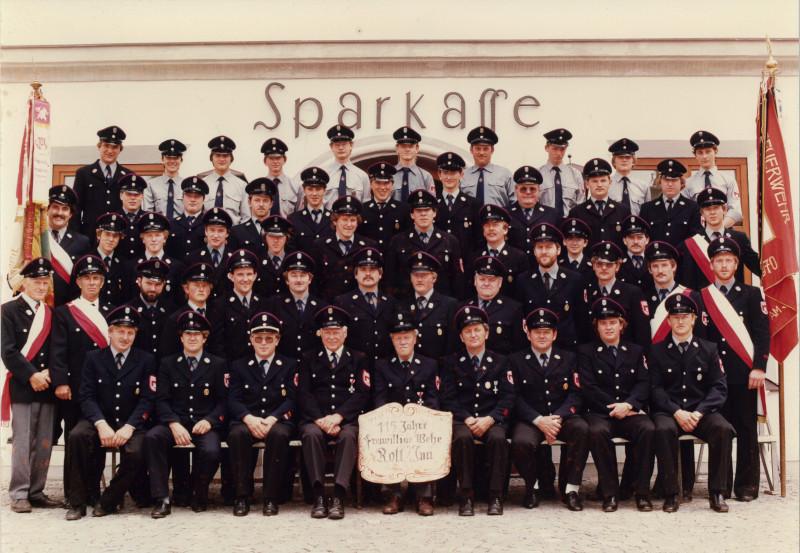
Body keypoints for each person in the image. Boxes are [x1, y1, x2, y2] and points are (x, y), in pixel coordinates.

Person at [65, 306, 156, 520]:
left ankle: (109, 499)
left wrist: (129, 427)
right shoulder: (93, 358)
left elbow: (147, 399)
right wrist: (100, 424)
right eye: (120, 331)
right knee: (77, 436)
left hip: (131, 423)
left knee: (137, 450)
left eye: (130, 332)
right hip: (99, 419)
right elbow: (86, 396)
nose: (125, 337)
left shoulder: (146, 360)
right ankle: (77, 503)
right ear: (110, 332)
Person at [649, 294, 733, 513]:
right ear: (668, 321)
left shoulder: (709, 349)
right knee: (663, 430)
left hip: (700, 411)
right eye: (675, 317)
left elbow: (719, 386)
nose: (680, 321)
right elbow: (654, 389)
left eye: (685, 316)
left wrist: (699, 412)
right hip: (669, 411)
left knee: (723, 429)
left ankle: (717, 493)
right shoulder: (657, 350)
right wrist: (676, 412)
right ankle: (671, 493)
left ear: (694, 319)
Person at [700, 237, 770, 502]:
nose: (724, 264)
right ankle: (722, 485)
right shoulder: (703, 296)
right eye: (719, 260)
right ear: (711, 264)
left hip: (744, 376)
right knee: (721, 431)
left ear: (737, 263)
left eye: (729, 260)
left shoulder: (752, 294)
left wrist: (759, 368)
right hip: (715, 378)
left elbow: (763, 335)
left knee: (746, 430)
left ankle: (747, 485)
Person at [146, 311, 227, 517]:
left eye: (197, 334)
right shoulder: (167, 363)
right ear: (181, 337)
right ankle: (162, 498)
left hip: (204, 423)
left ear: (204, 337)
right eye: (188, 334)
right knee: (153, 437)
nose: (193, 338)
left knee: (211, 451)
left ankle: (198, 494)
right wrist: (173, 423)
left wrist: (209, 421)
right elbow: (161, 400)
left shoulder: (217, 364)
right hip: (175, 422)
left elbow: (223, 401)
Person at [578, 298, 655, 512]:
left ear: (621, 325)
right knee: (597, 431)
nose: (608, 327)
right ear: (597, 327)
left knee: (648, 429)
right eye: (603, 323)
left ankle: (641, 493)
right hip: (600, 412)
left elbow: (643, 382)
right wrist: (615, 407)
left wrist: (629, 405)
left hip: (630, 411)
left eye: (613, 322)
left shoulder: (636, 350)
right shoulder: (586, 351)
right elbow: (588, 387)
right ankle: (610, 493)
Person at [509, 308, 588, 511]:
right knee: (520, 441)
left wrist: (557, 418)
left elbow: (576, 394)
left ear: (555, 334)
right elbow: (514, 397)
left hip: (561, 416)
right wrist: (538, 420)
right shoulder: (516, 360)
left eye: (547, 332)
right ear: (528, 334)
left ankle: (570, 489)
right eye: (537, 332)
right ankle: (533, 488)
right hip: (530, 419)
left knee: (581, 429)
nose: (542, 336)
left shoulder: (568, 358)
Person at [296, 306, 371, 520]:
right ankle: (319, 496)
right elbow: (303, 392)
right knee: (310, 434)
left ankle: (338, 495)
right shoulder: (308, 358)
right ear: (321, 334)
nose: (332, 337)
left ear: (345, 333)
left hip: (344, 420)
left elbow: (362, 392)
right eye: (327, 332)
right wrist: (320, 420)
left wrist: (338, 417)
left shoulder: (358, 358)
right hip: (315, 418)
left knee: (349, 436)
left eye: (336, 332)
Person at [50, 255, 114, 503]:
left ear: (102, 282)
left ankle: (93, 491)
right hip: (74, 389)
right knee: (74, 441)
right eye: (86, 278)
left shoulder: (110, 312)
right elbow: (58, 350)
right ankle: (73, 493)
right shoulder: (65, 312)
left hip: (102, 389)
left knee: (97, 439)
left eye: (96, 278)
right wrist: (61, 381)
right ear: (78, 282)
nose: (91, 283)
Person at [440, 306, 514, 516]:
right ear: (461, 337)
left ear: (486, 333)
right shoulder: (452, 362)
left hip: (492, 419)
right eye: (468, 331)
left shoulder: (501, 361)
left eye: (477, 330)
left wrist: (490, 419)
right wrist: (468, 418)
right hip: (464, 421)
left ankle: (496, 496)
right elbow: (447, 398)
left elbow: (508, 397)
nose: (473, 335)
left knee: (499, 439)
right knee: (461, 439)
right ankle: (466, 496)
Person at [1, 258, 59, 512]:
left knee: (44, 440)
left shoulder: (51, 313)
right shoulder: (7, 310)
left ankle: (37, 491)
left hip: (47, 384)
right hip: (24, 385)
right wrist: (32, 375)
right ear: (24, 282)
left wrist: (49, 373)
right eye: (36, 281)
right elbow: (8, 351)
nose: (41, 286)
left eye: (45, 282)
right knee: (23, 441)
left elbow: (58, 349)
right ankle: (19, 493)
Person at [228, 312, 297, 516]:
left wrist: (273, 418)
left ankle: (271, 497)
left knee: (280, 434)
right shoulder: (239, 365)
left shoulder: (289, 365)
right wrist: (249, 419)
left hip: (277, 419)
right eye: (259, 338)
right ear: (251, 339)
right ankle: (242, 497)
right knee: (237, 434)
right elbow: (233, 399)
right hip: (248, 418)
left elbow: (292, 399)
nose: (264, 343)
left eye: (269, 338)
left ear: (277, 340)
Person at [373, 312, 440, 516]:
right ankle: (394, 496)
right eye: (398, 338)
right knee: (385, 439)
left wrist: (419, 418)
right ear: (392, 340)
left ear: (415, 339)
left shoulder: (429, 365)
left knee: (423, 439)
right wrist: (391, 419)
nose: (403, 341)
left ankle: (423, 497)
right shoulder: (382, 365)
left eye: (407, 337)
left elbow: (433, 398)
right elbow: (379, 398)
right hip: (391, 424)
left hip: (420, 423)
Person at [516, 223, 583, 352]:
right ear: (534, 251)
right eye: (539, 247)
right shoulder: (523, 280)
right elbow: (522, 320)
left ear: (558, 250)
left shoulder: (574, 279)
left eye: (548, 247)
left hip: (566, 352)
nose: (544, 252)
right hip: (533, 351)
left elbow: (580, 321)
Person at [386, 190, 464, 299]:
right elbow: (390, 280)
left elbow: (458, 282)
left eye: (427, 210)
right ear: (412, 214)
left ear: (434, 213)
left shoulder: (450, 241)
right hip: (407, 306)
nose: (423, 214)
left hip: (442, 308)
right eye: (418, 210)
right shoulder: (398, 241)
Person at [679, 188, 761, 291]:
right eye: (708, 209)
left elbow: (757, 267)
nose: (712, 212)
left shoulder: (740, 239)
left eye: (716, 208)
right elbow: (688, 281)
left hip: (735, 301)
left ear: (724, 210)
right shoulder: (692, 243)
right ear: (702, 213)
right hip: (705, 302)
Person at [577, 241, 651, 348]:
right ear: (593, 265)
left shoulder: (633, 293)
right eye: (599, 264)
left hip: (627, 357)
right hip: (594, 357)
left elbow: (642, 333)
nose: (604, 268)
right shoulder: (587, 293)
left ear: (617, 266)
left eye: (609, 264)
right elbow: (583, 332)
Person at [334, 247, 398, 362]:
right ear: (355, 274)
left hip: (384, 368)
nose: (368, 274)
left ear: (380, 274)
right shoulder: (342, 302)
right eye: (363, 269)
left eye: (373, 269)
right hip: (355, 366)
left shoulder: (391, 303)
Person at [310, 195, 377, 302]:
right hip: (329, 307)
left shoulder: (368, 246)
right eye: (344, 220)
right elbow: (314, 284)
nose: (349, 224)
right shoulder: (320, 246)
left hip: (359, 308)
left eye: (353, 220)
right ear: (335, 221)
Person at [397, 252, 458, 368]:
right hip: (409, 371)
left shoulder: (449, 305)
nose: (419, 279)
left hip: (439, 370)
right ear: (410, 278)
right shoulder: (401, 306)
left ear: (434, 278)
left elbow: (452, 346)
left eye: (424, 275)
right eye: (415, 276)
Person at [264, 251, 326, 360]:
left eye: (303, 275)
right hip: (283, 368)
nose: (298, 280)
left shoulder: (322, 307)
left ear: (310, 279)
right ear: (287, 280)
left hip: (313, 367)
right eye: (293, 275)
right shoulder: (274, 304)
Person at [457, 256, 526, 355]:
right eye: (482, 279)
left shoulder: (514, 309)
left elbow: (518, 349)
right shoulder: (462, 308)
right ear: (475, 280)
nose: (486, 283)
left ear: (500, 282)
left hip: (501, 368)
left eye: (491, 280)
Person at [73, 126, 133, 236]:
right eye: (106, 146)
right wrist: (77, 237)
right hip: (90, 237)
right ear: (99, 147)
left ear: (120, 149)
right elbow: (75, 209)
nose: (110, 151)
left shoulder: (128, 176)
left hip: (118, 236)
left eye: (115, 147)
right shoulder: (84, 173)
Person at [211, 249, 267, 363]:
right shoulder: (219, 305)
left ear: (255, 276)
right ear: (231, 276)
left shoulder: (264, 304)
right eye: (240, 274)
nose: (245, 279)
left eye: (249, 274)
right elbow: (217, 344)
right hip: (232, 369)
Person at [159, 262, 223, 359]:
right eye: (196, 285)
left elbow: (219, 350)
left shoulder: (216, 315)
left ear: (210, 289)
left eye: (205, 285)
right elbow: (168, 355)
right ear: (186, 289)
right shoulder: (175, 319)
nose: (201, 289)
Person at [464, 204, 529, 298]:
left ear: (505, 229)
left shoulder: (519, 257)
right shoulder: (473, 258)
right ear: (483, 231)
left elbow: (523, 292)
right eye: (487, 225)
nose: (491, 229)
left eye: (495, 225)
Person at [682, 131, 742, 227]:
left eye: (708, 151)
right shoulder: (688, 183)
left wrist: (718, 229)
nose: (704, 156)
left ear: (716, 152)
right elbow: (685, 212)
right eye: (700, 153)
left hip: (724, 233)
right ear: (695, 155)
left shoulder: (728, 180)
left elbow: (736, 211)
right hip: (697, 235)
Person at [121, 211, 183, 304]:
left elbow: (179, 301)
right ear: (143, 239)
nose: (153, 240)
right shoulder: (130, 267)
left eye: (158, 235)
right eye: (149, 235)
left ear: (165, 238)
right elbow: (126, 300)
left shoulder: (177, 266)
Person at [568, 158, 631, 249]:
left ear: (610, 183)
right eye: (595, 181)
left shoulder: (623, 211)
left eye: (603, 181)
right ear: (587, 184)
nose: (599, 185)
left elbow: (628, 242)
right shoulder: (577, 213)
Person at [639, 159, 702, 248]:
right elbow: (643, 237)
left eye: (674, 180)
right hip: (656, 259)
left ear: (682, 183)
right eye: (666, 180)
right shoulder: (647, 208)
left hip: (682, 259)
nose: (670, 184)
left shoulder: (693, 207)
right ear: (660, 182)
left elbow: (695, 236)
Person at [46, 185, 89, 306]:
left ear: (71, 214)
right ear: (47, 209)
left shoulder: (82, 242)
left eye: (65, 209)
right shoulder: (37, 239)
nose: (59, 213)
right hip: (41, 306)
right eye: (55, 207)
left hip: (68, 309)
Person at [124, 259, 175, 361]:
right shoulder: (128, 310)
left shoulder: (172, 311)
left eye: (157, 284)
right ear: (139, 282)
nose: (153, 289)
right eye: (148, 283)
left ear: (164, 284)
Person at [360, 161, 411, 256]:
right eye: (378, 183)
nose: (382, 187)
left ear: (392, 185)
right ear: (371, 185)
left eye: (386, 183)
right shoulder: (362, 209)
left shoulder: (404, 210)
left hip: (394, 264)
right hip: (368, 264)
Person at [507, 165, 561, 255]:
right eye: (523, 189)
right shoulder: (505, 214)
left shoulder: (553, 215)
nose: (528, 192)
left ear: (539, 191)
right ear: (515, 191)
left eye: (532, 189)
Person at [434, 151, 482, 248]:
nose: (449, 177)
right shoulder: (432, 204)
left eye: (453, 173)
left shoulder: (474, 204)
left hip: (465, 260)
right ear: (439, 175)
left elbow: (479, 239)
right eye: (445, 173)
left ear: (461, 175)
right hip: (439, 259)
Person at [199, 136, 250, 225]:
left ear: (231, 159)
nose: (222, 159)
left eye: (225, 156)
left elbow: (246, 217)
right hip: (208, 235)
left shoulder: (242, 185)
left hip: (233, 234)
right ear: (212, 158)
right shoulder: (203, 184)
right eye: (218, 155)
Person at [183, 207, 234, 298]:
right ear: (206, 231)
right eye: (212, 230)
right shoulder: (192, 258)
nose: (215, 235)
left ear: (227, 233)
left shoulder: (234, 258)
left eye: (221, 231)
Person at [460, 126, 515, 208]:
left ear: (492, 150)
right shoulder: (462, 175)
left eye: (486, 149)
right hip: (470, 220)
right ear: (471, 150)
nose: (482, 152)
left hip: (497, 220)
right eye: (478, 148)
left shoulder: (505, 174)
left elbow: (515, 204)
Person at [320, 125, 370, 207]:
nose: (340, 148)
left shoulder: (362, 176)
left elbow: (365, 206)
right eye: (336, 144)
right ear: (331, 147)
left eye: (344, 144)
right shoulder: (323, 175)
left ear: (351, 145)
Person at [538, 128, 584, 217]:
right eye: (554, 149)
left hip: (569, 224)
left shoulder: (575, 174)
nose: (559, 153)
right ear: (546, 148)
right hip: (545, 223)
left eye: (562, 149)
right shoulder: (538, 174)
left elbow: (580, 204)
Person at [288, 167, 333, 254]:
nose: (314, 194)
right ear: (304, 191)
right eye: (310, 189)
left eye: (318, 189)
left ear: (324, 191)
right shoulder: (294, 219)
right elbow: (291, 251)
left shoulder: (334, 219)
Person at [229, 177, 277, 254]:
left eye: (265, 200)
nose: (261, 204)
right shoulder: (237, 232)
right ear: (249, 203)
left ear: (271, 204)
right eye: (257, 200)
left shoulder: (279, 230)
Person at [166, 177, 209, 258]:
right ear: (183, 198)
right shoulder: (171, 225)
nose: (192, 200)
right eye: (189, 196)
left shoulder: (208, 225)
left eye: (197, 196)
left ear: (203, 200)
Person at [255, 215, 296, 298]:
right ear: (265, 238)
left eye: (280, 237)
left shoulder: (293, 262)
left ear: (286, 238)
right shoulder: (257, 262)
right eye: (271, 236)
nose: (276, 240)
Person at [143, 139, 186, 219]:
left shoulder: (187, 185)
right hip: (159, 229)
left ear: (181, 160)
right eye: (168, 157)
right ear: (162, 160)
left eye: (176, 157)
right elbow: (148, 213)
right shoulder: (151, 185)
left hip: (182, 230)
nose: (172, 161)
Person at [608, 138, 651, 216]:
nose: (624, 160)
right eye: (620, 157)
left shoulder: (643, 186)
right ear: (614, 161)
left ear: (633, 162)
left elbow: (648, 213)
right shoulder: (606, 185)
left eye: (628, 157)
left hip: (637, 227)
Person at [391, 126, 435, 201]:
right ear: (397, 148)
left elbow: (432, 204)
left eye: (411, 146)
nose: (407, 149)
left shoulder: (426, 177)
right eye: (403, 146)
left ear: (417, 148)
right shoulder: (389, 174)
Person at [261, 137, 302, 216]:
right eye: (271, 158)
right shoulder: (258, 186)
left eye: (278, 158)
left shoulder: (296, 186)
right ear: (265, 161)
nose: (275, 161)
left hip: (287, 227)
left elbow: (299, 216)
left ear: (285, 160)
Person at [93, 212, 127, 306]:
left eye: (115, 236)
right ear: (99, 235)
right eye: (107, 234)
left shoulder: (124, 264)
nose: (111, 239)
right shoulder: (88, 260)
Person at [617, 215, 654, 291]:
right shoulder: (617, 263)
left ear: (647, 240)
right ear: (624, 240)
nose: (635, 242)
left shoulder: (653, 261)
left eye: (639, 237)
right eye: (631, 237)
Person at [116, 173, 148, 261]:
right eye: (128, 194)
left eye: (136, 195)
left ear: (142, 196)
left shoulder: (147, 219)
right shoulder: (114, 219)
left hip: (142, 268)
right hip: (119, 269)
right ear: (121, 195)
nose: (132, 198)